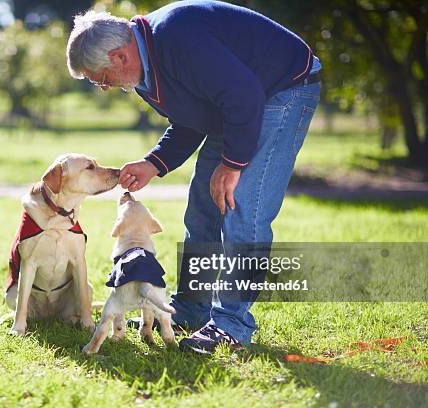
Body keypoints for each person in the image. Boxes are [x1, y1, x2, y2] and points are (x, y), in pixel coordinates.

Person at [66, 0, 321, 354]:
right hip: (235, 106)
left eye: (102, 78)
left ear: (119, 56)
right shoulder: (143, 72)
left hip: (281, 88)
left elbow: (243, 94)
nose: (105, 87)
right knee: (202, 207)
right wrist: (152, 163)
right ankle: (190, 309)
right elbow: (192, 120)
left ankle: (231, 325)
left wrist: (232, 165)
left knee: (241, 206)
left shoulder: (177, 36)